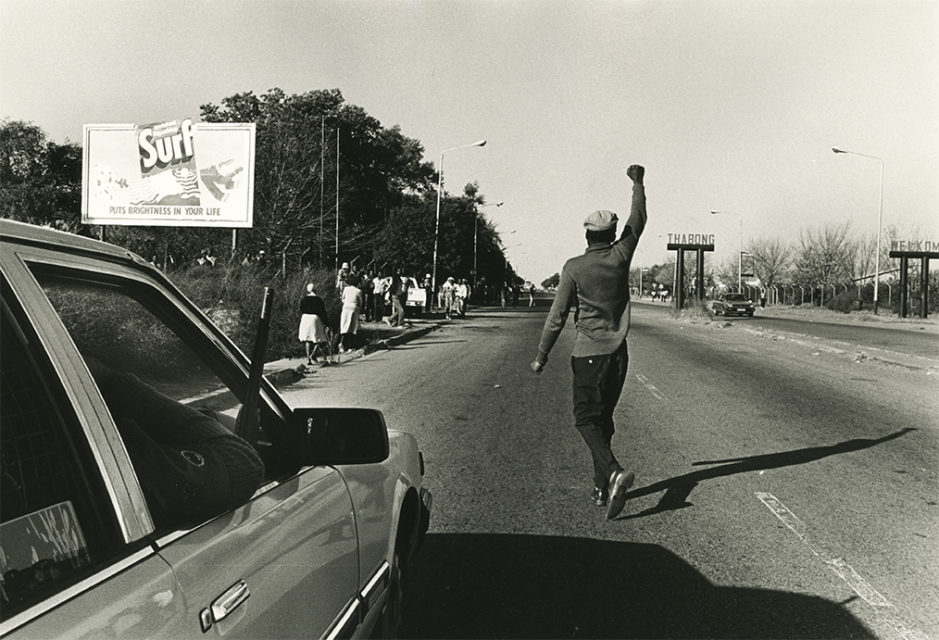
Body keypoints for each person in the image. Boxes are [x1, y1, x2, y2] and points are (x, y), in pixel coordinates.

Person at [530, 164, 647, 521]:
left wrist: (541, 356)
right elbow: (638, 220)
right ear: (611, 234)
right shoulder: (621, 255)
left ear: (587, 235)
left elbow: (557, 316)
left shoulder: (574, 267)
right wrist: (638, 184)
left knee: (585, 419)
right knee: (604, 420)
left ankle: (612, 471)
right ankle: (601, 489)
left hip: (588, 355)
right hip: (618, 355)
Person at [298, 284, 330, 365]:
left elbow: (301, 309)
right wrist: (326, 323)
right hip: (314, 318)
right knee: (319, 338)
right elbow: (322, 312)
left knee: (307, 339)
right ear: (315, 290)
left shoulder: (303, 299)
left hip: (305, 318)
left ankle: (308, 359)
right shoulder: (318, 299)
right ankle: (313, 355)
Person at [339, 279, 362, 353]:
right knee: (352, 327)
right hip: (353, 308)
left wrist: (346, 302)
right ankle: (350, 346)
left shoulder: (346, 289)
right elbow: (360, 301)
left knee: (344, 326)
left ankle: (341, 344)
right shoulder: (358, 291)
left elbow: (343, 298)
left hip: (345, 307)